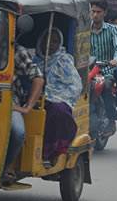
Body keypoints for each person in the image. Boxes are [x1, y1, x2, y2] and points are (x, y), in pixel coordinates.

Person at [33, 28, 82, 166]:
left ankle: (52, 151)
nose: (50, 44)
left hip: (60, 98)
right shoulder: (34, 60)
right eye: (47, 40)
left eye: (54, 41)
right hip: (36, 97)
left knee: (58, 111)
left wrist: (54, 95)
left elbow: (75, 85)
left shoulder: (64, 60)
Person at [2, 38, 45, 185]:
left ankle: (7, 166)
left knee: (18, 132)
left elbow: (38, 78)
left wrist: (28, 107)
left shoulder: (17, 51)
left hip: (9, 101)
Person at [90, 0, 117, 128]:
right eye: (93, 11)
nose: (95, 15)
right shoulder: (85, 29)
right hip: (88, 70)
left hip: (105, 71)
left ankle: (111, 118)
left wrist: (116, 59)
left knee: (106, 86)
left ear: (104, 13)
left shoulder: (113, 29)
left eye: (98, 12)